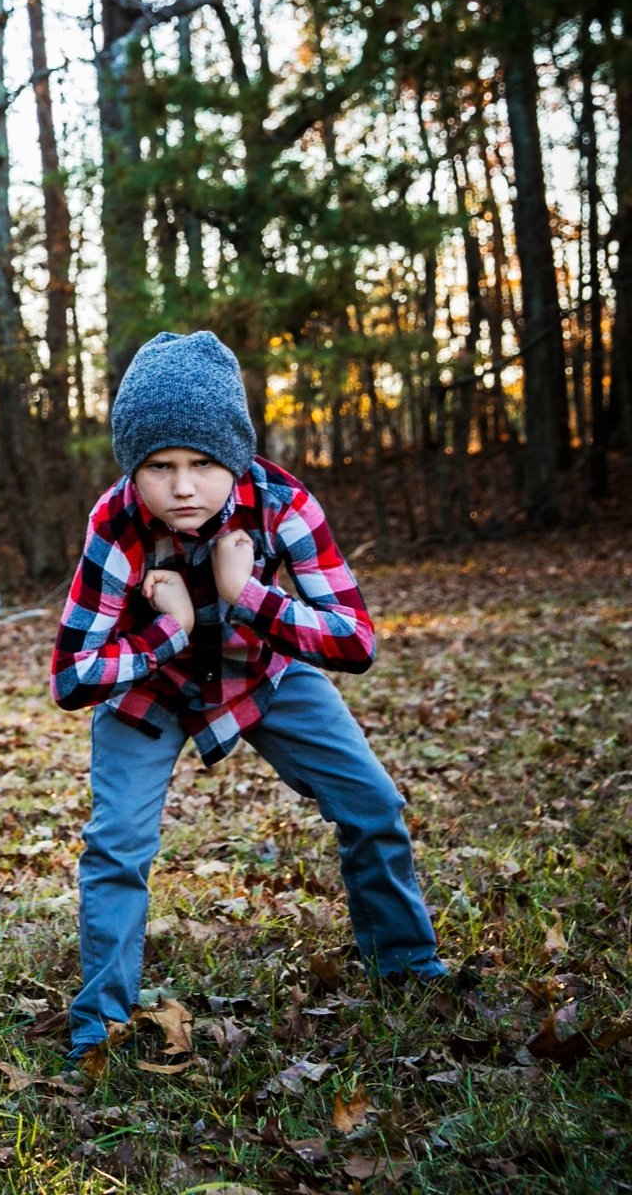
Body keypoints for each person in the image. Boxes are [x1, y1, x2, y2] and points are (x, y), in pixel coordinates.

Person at [49, 330, 448, 1061]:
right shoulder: (115, 525)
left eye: (204, 464)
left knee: (374, 804)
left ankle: (409, 969)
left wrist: (248, 596)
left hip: (261, 672)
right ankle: (96, 1029)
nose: (182, 488)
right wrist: (170, 634)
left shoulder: (283, 502)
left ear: (235, 458)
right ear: (131, 469)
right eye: (159, 466)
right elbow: (72, 676)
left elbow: (356, 641)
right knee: (117, 848)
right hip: (152, 692)